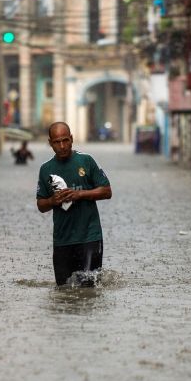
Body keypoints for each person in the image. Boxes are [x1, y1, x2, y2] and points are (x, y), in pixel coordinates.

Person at [36, 122, 112, 287]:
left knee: (89, 290)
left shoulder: (86, 161)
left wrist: (80, 194)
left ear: (71, 139)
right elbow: (41, 205)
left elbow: (107, 191)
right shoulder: (45, 169)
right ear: (50, 143)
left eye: (65, 140)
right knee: (63, 291)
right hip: (62, 240)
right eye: (57, 142)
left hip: (90, 237)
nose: (62, 146)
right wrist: (52, 201)